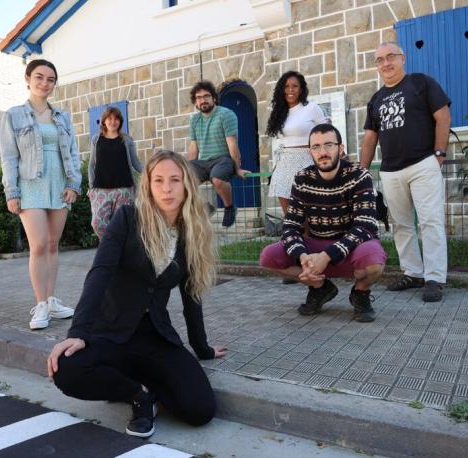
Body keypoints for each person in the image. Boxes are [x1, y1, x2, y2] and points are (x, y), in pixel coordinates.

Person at [47, 150, 227, 439]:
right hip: (111, 332)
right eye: (158, 181)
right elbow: (99, 273)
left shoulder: (192, 233)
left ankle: (147, 383)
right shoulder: (128, 218)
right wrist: (77, 332)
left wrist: (202, 348)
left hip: (155, 337)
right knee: (66, 370)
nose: (166, 189)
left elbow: (191, 294)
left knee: (200, 410)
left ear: (186, 186)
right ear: (148, 186)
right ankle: (139, 396)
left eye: (174, 180)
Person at [260, 124, 387, 322]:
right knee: (269, 257)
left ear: (341, 148)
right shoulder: (303, 178)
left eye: (329, 145)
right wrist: (303, 257)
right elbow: (291, 226)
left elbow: (365, 226)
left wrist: (327, 256)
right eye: (316, 147)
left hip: (351, 247)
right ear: (310, 151)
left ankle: (360, 294)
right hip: (316, 245)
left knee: (374, 262)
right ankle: (320, 288)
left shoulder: (359, 175)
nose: (323, 152)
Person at [360, 42, 451, 302]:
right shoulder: (375, 100)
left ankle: (434, 278)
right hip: (391, 171)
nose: (385, 63)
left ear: (403, 58)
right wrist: (362, 173)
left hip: (423, 164)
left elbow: (443, 116)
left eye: (390, 57)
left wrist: (439, 153)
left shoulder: (421, 83)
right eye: (379, 60)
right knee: (400, 225)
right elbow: (369, 139)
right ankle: (412, 273)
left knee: (430, 221)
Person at [0, 59, 81, 330]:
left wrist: (74, 184)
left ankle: (51, 299)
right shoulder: (13, 115)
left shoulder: (63, 117)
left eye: (50, 79)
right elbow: (8, 157)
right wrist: (12, 192)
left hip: (59, 183)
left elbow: (73, 152)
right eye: (39, 77)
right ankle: (40, 305)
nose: (45, 83)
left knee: (54, 244)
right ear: (27, 78)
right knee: (39, 245)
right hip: (30, 184)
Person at [187, 80, 249, 227]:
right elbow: (193, 149)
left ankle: (229, 208)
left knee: (217, 179)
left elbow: (232, 144)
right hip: (204, 162)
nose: (203, 100)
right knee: (182, 178)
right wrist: (187, 168)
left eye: (206, 96)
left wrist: (237, 168)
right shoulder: (194, 120)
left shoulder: (226, 115)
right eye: (199, 97)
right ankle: (202, 207)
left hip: (223, 159)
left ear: (214, 98)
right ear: (195, 102)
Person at [266, 71, 328, 215]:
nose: (290, 90)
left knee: (306, 203)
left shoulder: (311, 108)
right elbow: (280, 140)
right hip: (284, 161)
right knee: (286, 203)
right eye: (286, 86)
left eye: (295, 86)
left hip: (305, 160)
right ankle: (293, 233)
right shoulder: (279, 112)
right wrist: (276, 165)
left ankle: (308, 236)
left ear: (301, 89)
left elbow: (326, 133)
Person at [88, 106, 143, 239]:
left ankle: (119, 253)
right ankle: (108, 246)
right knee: (98, 224)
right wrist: (91, 188)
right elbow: (91, 165)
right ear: (104, 121)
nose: (113, 121)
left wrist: (152, 171)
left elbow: (136, 163)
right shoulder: (96, 139)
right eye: (110, 118)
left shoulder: (127, 140)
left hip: (124, 189)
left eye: (116, 118)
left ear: (120, 121)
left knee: (122, 224)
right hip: (101, 190)